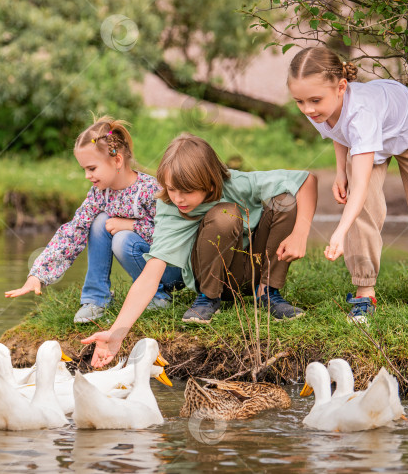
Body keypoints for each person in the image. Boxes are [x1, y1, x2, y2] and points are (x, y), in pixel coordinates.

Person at [82, 134, 317, 367]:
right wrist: (116, 333)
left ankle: (267, 292)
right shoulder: (171, 208)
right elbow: (150, 277)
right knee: (226, 215)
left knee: (285, 199)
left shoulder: (238, 183)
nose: (178, 198)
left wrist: (300, 233)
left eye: (187, 191)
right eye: (172, 189)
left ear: (211, 183)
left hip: (251, 268)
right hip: (212, 277)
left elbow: (306, 181)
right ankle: (208, 298)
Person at [287, 46, 408, 323]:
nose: (308, 109)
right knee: (363, 212)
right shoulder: (317, 107)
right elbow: (338, 128)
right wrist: (341, 171)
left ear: (341, 87)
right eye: (299, 102)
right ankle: (364, 292)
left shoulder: (361, 113)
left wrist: (337, 233)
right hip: (368, 140)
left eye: (314, 100)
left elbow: (359, 186)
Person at [5, 117, 183, 323]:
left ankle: (157, 296)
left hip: (171, 271)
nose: (87, 176)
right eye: (84, 170)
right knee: (98, 222)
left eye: (91, 168)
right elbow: (74, 230)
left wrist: (132, 226)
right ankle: (96, 299)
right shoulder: (100, 193)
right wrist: (38, 275)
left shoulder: (150, 190)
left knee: (122, 239)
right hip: (144, 265)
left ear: (117, 161)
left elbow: (173, 236)